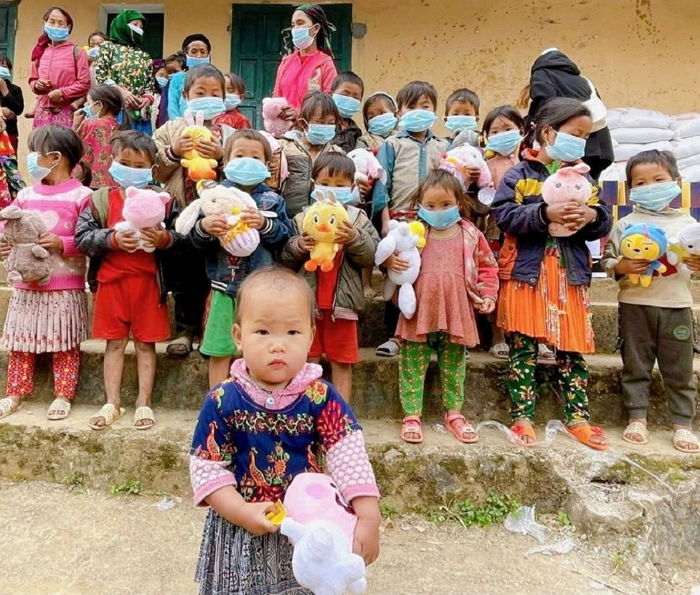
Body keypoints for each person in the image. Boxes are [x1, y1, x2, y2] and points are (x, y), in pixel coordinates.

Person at [189, 267, 380, 593]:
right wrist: (240, 511)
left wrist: (368, 515)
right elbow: (207, 467)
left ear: (310, 334)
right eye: (263, 332)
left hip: (310, 529)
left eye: (292, 333)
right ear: (238, 336)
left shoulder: (320, 396)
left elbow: (348, 452)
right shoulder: (223, 399)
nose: (278, 345)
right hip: (241, 528)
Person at [492, 97, 612, 450]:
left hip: (568, 275)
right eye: (575, 133)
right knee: (523, 349)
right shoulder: (519, 174)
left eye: (585, 136)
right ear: (548, 132)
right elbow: (503, 216)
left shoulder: (583, 177)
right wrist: (544, 214)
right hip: (527, 273)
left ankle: (578, 418)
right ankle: (522, 417)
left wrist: (591, 218)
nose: (581, 142)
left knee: (571, 349)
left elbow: (603, 216)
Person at [386, 169, 498, 443]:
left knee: (454, 362)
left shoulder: (470, 234)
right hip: (419, 307)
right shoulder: (412, 232)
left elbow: (487, 267)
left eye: (446, 205)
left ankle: (454, 413)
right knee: (412, 361)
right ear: (420, 205)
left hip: (457, 307)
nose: (438, 210)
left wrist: (488, 295)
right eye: (431, 205)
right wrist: (389, 262)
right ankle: (412, 415)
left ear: (459, 202)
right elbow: (390, 254)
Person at [76, 131, 176, 431]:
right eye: (124, 162)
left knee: (146, 346)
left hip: (148, 286)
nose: (131, 169)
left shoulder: (164, 201)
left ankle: (143, 402)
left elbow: (179, 238)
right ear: (112, 162)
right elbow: (82, 238)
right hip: (111, 284)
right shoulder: (100, 199)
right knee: (114, 345)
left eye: (139, 164)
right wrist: (112, 238)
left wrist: (164, 238)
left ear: (151, 168)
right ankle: (112, 402)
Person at [601, 150, 699, 453]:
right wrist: (621, 267)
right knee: (636, 364)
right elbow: (608, 262)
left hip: (677, 306)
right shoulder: (625, 224)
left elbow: (693, 265)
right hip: (635, 305)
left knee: (679, 369)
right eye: (640, 183)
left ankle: (682, 425)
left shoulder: (688, 224)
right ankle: (637, 418)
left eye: (658, 180)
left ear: (676, 182)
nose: (649, 187)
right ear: (630, 189)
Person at [0, 126, 92, 421]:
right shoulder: (25, 195)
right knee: (20, 343)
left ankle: (63, 394)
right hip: (27, 286)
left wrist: (61, 243)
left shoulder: (82, 196)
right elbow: (7, 226)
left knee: (65, 344)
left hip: (65, 286)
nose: (30, 158)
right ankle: (14, 392)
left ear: (55, 157)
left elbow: (89, 238)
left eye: (35, 153)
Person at [190, 130, 292, 388]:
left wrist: (265, 226)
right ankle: (217, 402)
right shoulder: (212, 197)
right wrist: (205, 228)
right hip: (222, 286)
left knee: (258, 346)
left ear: (268, 164)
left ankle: (255, 399)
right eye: (240, 154)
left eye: (255, 156)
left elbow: (285, 237)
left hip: (260, 289)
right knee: (219, 347)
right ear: (225, 159)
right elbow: (193, 241)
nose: (247, 160)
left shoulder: (273, 200)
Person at [281, 153, 379, 400]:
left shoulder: (357, 219)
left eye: (340, 185)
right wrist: (298, 246)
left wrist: (355, 238)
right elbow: (284, 258)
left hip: (342, 306)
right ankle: (305, 410)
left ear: (352, 188)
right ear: (314, 184)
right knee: (308, 359)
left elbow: (371, 256)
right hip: (307, 307)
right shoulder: (302, 219)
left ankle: (342, 413)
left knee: (342, 361)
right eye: (325, 183)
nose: (332, 189)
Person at [371, 81, 449, 358]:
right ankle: (395, 335)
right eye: (411, 106)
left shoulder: (443, 146)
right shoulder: (392, 145)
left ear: (435, 110)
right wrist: (384, 223)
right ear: (400, 112)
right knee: (399, 273)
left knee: (426, 279)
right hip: (399, 223)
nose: (418, 111)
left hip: (432, 223)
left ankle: (426, 336)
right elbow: (382, 187)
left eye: (425, 106)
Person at [154, 64, 227, 357]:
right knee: (185, 274)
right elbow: (155, 171)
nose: (208, 97)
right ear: (185, 95)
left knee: (216, 273)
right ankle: (185, 330)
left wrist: (223, 157)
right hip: (181, 212)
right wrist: (173, 152)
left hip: (220, 216)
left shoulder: (232, 131)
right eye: (200, 92)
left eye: (215, 93)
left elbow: (246, 169)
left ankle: (211, 330)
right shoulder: (169, 130)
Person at [526, 48, 613, 181]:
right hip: (600, 146)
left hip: (566, 147)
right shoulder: (583, 80)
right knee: (585, 187)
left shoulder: (542, 74)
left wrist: (530, 131)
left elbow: (543, 103)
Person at [481, 105, 525, 360]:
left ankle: (523, 333)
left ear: (520, 130)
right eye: (494, 131)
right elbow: (479, 201)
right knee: (495, 283)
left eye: (507, 129)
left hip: (524, 235)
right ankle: (497, 334)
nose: (501, 134)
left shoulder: (530, 164)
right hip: (494, 233)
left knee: (519, 283)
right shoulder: (484, 165)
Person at [279, 90, 343, 218]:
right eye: (320, 122)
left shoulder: (337, 153)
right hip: (288, 220)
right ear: (303, 123)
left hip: (323, 222)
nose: (326, 126)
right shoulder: (284, 148)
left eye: (331, 123)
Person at [95, 9, 155, 135]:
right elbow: (101, 77)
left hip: (140, 116)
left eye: (141, 26)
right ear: (122, 24)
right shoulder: (108, 48)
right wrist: (121, 92)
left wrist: (146, 99)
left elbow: (150, 86)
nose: (139, 29)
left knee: (140, 151)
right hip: (115, 112)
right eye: (135, 24)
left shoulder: (144, 56)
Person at [28, 7, 90, 129]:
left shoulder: (77, 51)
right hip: (43, 111)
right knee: (40, 146)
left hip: (67, 111)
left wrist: (62, 92)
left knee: (63, 146)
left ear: (68, 27)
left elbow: (84, 83)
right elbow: (32, 79)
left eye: (60, 23)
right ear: (45, 23)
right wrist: (37, 85)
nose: (56, 26)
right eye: (52, 22)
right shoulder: (39, 51)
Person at [272, 4, 338, 113]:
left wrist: (299, 113)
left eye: (300, 23)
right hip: (284, 128)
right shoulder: (286, 62)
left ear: (316, 28)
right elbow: (276, 98)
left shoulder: (325, 64)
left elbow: (329, 105)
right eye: (293, 25)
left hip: (312, 127)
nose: (295, 29)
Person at [73, 84, 127, 188]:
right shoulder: (118, 126)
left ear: (99, 105)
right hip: (112, 183)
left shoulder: (90, 124)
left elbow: (72, 145)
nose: (86, 107)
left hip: (90, 182)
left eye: (89, 103)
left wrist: (75, 124)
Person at [168, 34, 213, 121]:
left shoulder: (214, 78)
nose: (198, 56)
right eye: (194, 51)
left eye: (203, 52)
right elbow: (172, 106)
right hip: (181, 128)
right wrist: (178, 126)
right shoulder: (177, 79)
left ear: (208, 55)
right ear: (186, 54)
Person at [331, 71, 364, 153]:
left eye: (355, 98)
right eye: (345, 94)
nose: (349, 100)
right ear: (331, 94)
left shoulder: (355, 131)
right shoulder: (323, 124)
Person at [0, 55, 24, 152]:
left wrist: (5, 91)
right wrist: (1, 110)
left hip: (10, 132)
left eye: (4, 67)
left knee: (9, 164)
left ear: (9, 69)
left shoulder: (15, 89)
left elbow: (19, 110)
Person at [157, 52, 186, 127]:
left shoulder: (186, 85)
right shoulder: (166, 85)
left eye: (175, 71)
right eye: (169, 72)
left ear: (184, 69)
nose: (172, 75)